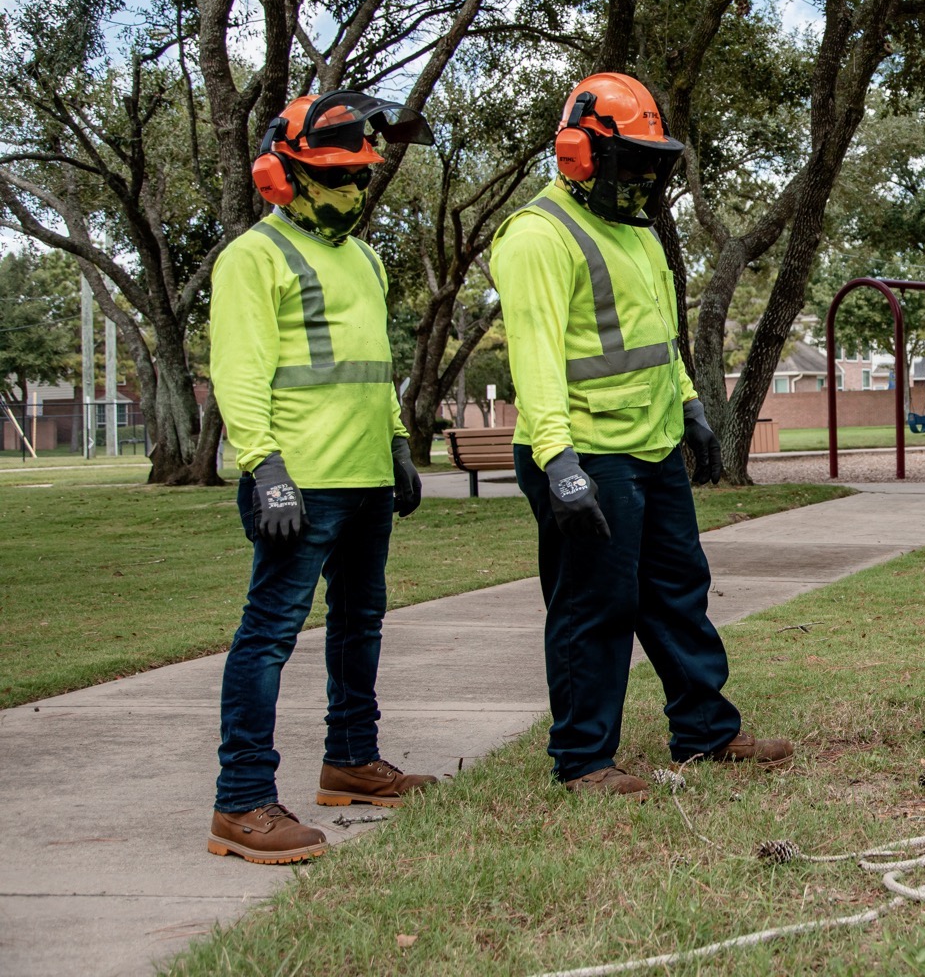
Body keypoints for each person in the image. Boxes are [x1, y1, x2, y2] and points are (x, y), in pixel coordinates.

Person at [492, 71, 791, 799]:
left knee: (677, 590)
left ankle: (706, 731)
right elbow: (535, 359)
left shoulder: (638, 233)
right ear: (580, 154)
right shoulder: (538, 236)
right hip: (587, 453)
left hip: (651, 445)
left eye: (651, 166)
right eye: (630, 164)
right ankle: (583, 760)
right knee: (596, 605)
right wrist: (558, 461)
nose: (641, 182)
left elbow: (660, 336)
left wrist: (689, 404)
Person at [207, 91, 438, 863]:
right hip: (297, 483)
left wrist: (400, 444)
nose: (351, 191)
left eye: (360, 179)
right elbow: (238, 373)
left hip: (366, 475)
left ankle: (351, 761)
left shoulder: (365, 259)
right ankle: (241, 802)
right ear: (285, 176)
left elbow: (375, 373)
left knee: (359, 624)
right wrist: (265, 468)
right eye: (335, 177)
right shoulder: (254, 257)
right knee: (268, 637)